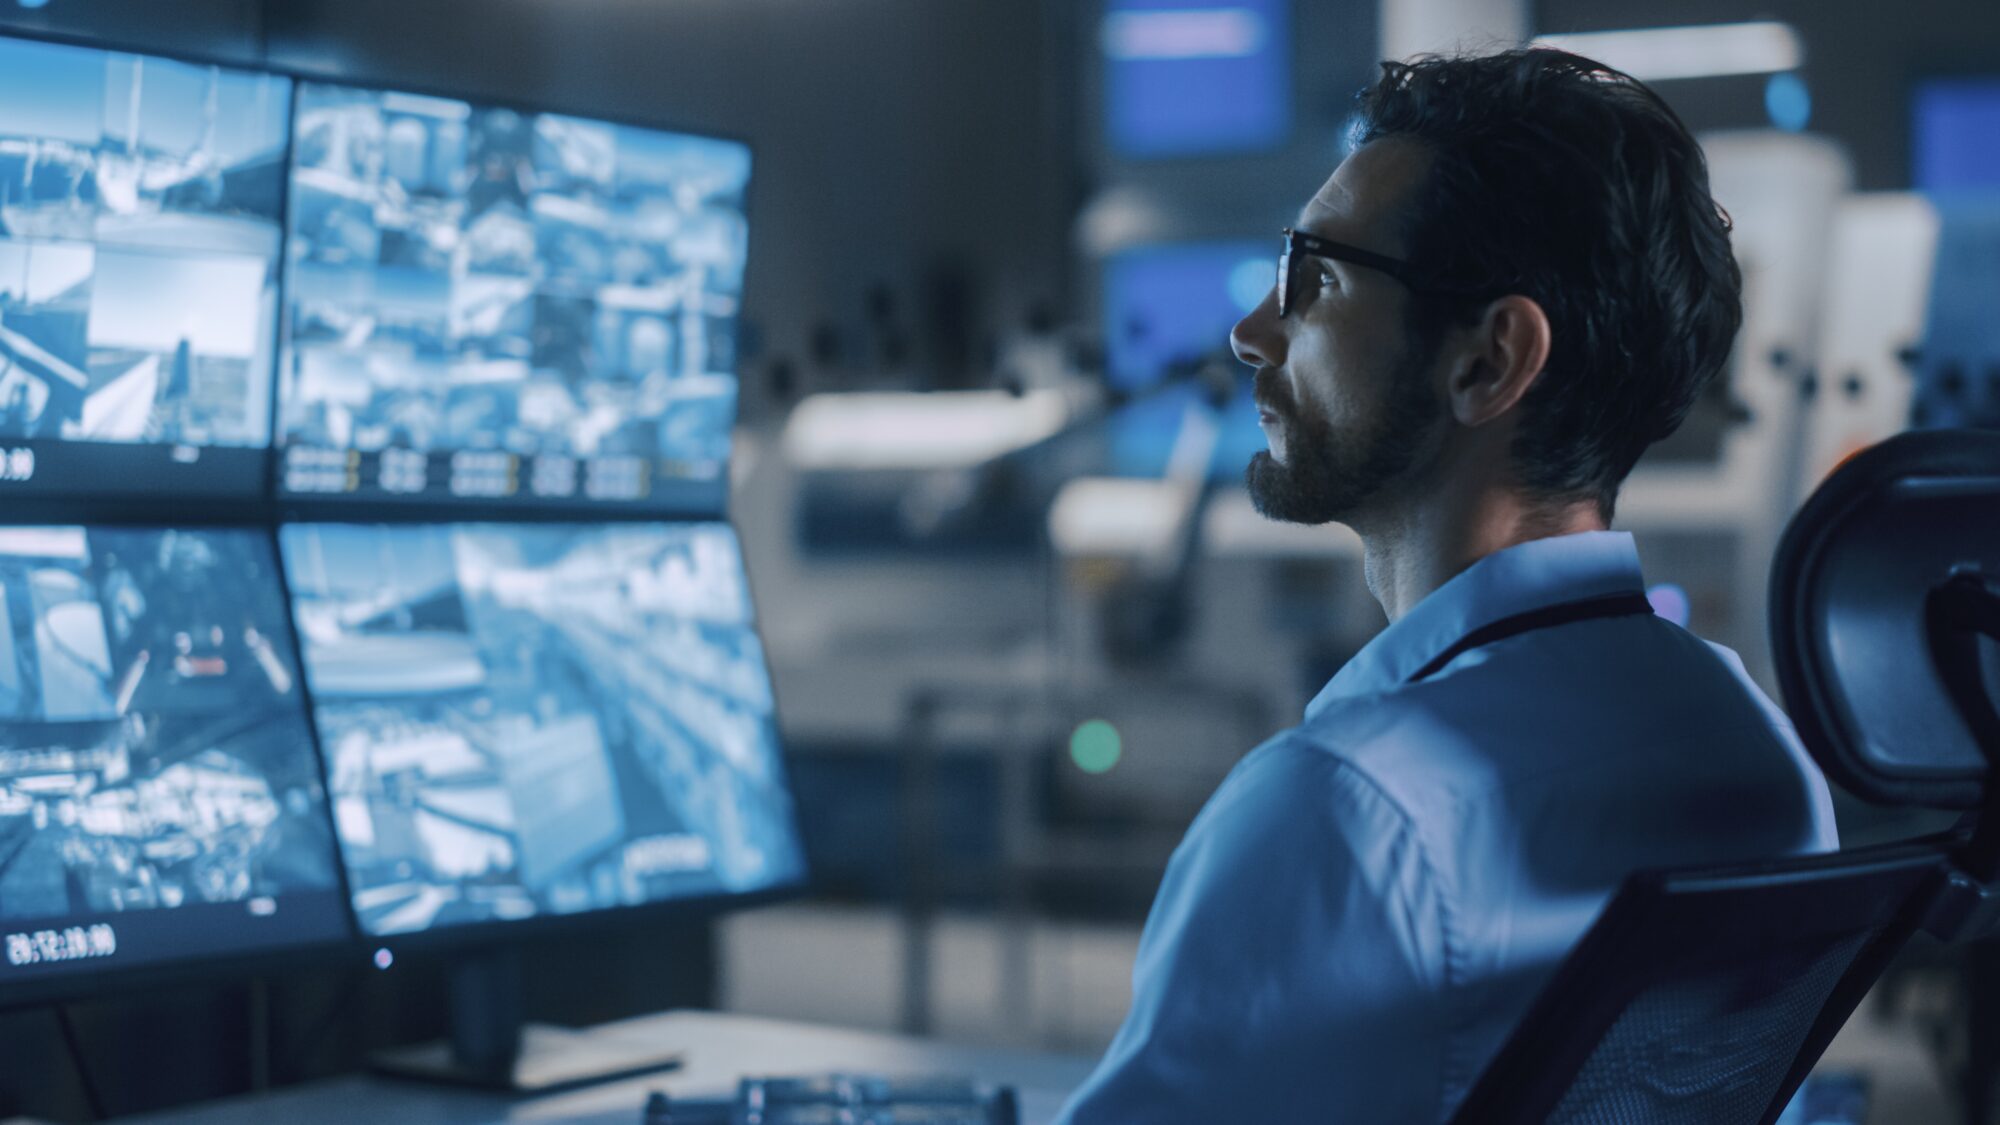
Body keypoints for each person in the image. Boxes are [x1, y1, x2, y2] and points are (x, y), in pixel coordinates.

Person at [1054, 48, 1838, 1124]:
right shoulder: (1756, 757)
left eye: (1315, 281)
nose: (1251, 334)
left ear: (1488, 360)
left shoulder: (1346, 808)